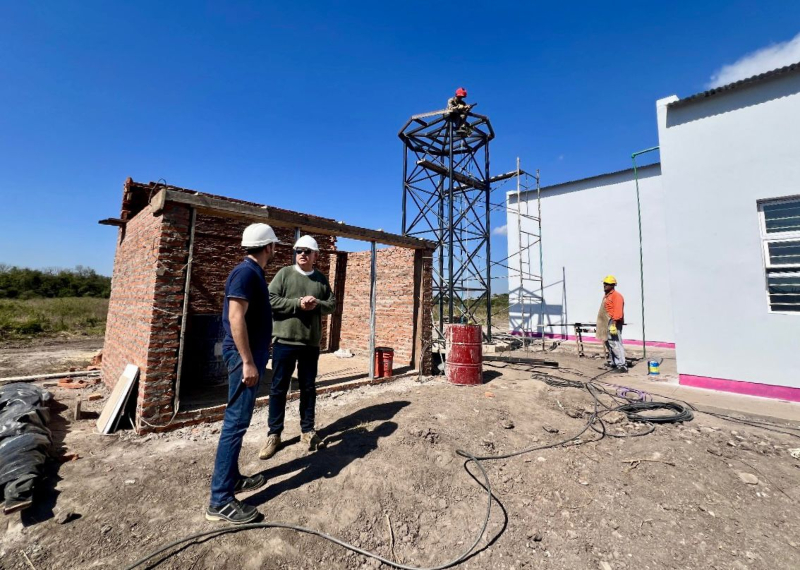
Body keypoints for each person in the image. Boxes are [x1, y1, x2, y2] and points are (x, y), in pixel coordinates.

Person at [206, 223, 281, 524]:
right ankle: (220, 500)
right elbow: (235, 318)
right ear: (268, 247)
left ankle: (232, 479)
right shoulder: (245, 273)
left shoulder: (253, 273)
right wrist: (248, 361)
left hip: (251, 354)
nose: (275, 250)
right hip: (243, 357)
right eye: (274, 246)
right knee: (235, 424)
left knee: (239, 421)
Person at [259, 235, 336, 460]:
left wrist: (316, 304)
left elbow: (331, 304)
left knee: (308, 388)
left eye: (306, 251)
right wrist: (297, 304)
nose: (302, 254)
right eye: (299, 250)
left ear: (315, 256)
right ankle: (274, 434)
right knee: (278, 389)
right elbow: (269, 299)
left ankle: (307, 431)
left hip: (310, 344)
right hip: (284, 342)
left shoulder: (320, 279)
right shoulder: (284, 274)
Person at [597, 275, 627, 372]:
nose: (605, 285)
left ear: (613, 285)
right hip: (606, 322)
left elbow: (618, 312)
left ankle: (622, 365)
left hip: (613, 322)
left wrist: (614, 324)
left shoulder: (617, 296)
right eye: (604, 283)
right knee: (609, 343)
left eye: (607, 284)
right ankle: (614, 362)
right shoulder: (607, 295)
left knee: (615, 343)